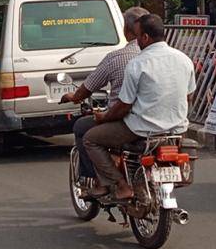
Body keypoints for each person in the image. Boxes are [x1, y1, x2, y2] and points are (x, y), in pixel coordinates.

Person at [84, 14, 196, 200]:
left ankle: (121, 185)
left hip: (142, 128)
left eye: (137, 36)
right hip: (176, 129)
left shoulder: (137, 64)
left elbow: (123, 107)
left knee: (91, 139)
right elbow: (188, 96)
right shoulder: (184, 59)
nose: (136, 41)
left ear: (145, 37)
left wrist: (104, 117)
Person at [61, 6, 148, 189]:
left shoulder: (122, 58)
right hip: (169, 123)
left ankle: (102, 181)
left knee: (85, 131)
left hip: (132, 122)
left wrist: (76, 97)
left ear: (126, 31)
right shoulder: (171, 58)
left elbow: (121, 105)